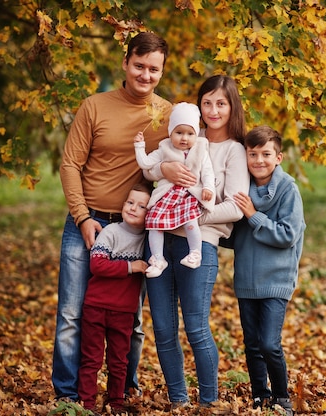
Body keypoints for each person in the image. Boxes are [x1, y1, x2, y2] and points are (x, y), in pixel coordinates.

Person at [53, 31, 172, 402]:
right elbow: (70, 164)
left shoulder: (167, 115)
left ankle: (123, 390)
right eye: (139, 66)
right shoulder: (94, 106)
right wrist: (82, 216)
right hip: (85, 223)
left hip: (135, 232)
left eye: (154, 69)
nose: (146, 75)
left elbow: (193, 153)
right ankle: (68, 397)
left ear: (162, 71)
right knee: (72, 315)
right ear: (125, 63)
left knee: (131, 322)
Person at [143, 75, 250, 410]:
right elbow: (150, 171)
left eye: (221, 103)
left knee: (196, 327)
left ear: (232, 106)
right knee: (162, 328)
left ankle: (208, 402)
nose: (213, 110)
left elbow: (234, 206)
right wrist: (164, 167)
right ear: (199, 106)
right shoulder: (187, 135)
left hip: (198, 244)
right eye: (207, 103)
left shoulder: (235, 150)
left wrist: (189, 217)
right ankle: (178, 400)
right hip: (160, 244)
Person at [231, 125, 305, 416]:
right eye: (253, 154)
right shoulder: (240, 188)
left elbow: (288, 235)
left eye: (266, 154)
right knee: (252, 345)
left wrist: (253, 215)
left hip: (277, 279)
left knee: (269, 343)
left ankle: (281, 396)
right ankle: (260, 396)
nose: (259, 160)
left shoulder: (288, 189)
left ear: (279, 157)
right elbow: (232, 234)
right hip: (247, 279)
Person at [78, 183, 151, 415]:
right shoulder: (111, 232)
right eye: (130, 202)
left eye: (141, 206)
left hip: (124, 312)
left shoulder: (150, 240)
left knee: (119, 361)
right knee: (91, 359)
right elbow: (97, 264)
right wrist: (131, 267)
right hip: (96, 307)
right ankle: (86, 404)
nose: (133, 208)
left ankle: (116, 404)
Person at [134, 102, 215, 278]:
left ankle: (195, 253)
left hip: (188, 194)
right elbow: (145, 163)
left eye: (190, 133)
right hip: (167, 195)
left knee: (190, 220)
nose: (184, 138)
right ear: (171, 132)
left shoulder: (201, 148)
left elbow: (207, 171)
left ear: (196, 133)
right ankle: (158, 259)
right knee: (154, 222)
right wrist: (139, 147)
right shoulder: (164, 148)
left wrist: (208, 187)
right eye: (179, 133)